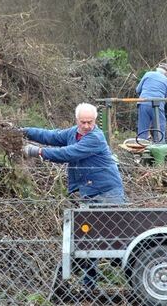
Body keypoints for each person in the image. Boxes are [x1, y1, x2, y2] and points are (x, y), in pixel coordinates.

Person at [21, 102, 126, 290]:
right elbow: (50, 136)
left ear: (95, 121)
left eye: (90, 122)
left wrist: (37, 152)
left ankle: (119, 273)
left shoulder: (95, 138)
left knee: (106, 239)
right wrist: (23, 131)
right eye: (83, 122)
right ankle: (88, 285)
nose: (87, 126)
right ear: (76, 120)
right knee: (88, 237)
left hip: (107, 193)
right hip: (89, 193)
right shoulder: (72, 133)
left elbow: (69, 153)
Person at [136, 63, 167, 143]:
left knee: (143, 129)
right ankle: (160, 147)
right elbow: (165, 97)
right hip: (158, 105)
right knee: (160, 128)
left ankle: (142, 148)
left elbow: (138, 90)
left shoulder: (148, 74)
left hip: (143, 102)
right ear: (166, 74)